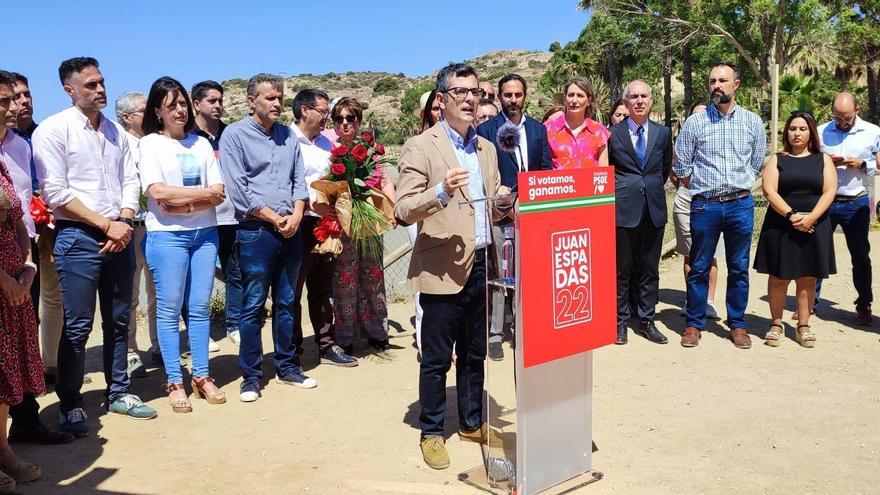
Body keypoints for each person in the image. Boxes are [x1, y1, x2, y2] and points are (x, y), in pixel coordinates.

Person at [33, 57, 158, 437]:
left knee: (120, 318)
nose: (100, 89)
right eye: (90, 84)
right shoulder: (53, 131)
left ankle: (118, 390)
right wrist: (107, 225)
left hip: (118, 231)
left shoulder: (116, 133)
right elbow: (55, 192)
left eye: (101, 82)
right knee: (78, 325)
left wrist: (122, 217)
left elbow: (130, 177)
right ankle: (70, 403)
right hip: (78, 236)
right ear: (69, 90)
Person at [396, 62, 510, 470]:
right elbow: (403, 209)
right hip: (441, 267)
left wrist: (504, 202)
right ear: (441, 100)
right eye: (460, 92)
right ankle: (430, 431)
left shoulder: (487, 148)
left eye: (474, 92)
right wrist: (440, 192)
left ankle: (472, 421)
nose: (468, 98)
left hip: (482, 263)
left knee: (475, 352)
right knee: (437, 357)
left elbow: (492, 202)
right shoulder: (420, 146)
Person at [219, 73, 314, 402]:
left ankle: (288, 366)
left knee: (288, 301)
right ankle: (251, 375)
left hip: (291, 229)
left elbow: (298, 181)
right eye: (270, 98)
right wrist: (275, 218)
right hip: (256, 232)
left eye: (280, 97)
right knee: (253, 306)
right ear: (251, 101)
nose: (277, 103)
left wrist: (297, 214)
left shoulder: (289, 136)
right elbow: (238, 190)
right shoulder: (234, 136)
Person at [139, 76, 227, 412]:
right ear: (158, 110)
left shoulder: (202, 144)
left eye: (182, 104)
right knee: (169, 308)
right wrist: (200, 196)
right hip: (167, 237)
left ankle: (202, 375)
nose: (179, 110)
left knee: (200, 308)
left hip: (204, 235)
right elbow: (157, 194)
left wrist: (185, 203)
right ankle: (175, 379)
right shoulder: (149, 145)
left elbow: (218, 191)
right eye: (171, 104)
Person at [673, 61, 767, 349]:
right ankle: (694, 324)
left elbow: (757, 162)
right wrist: (701, 189)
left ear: (735, 84)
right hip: (705, 206)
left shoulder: (752, 122)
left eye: (722, 80)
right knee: (699, 266)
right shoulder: (696, 122)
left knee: (738, 266)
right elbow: (681, 164)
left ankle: (737, 324)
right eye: (712, 80)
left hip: (740, 205)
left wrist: (742, 184)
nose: (716, 85)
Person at [477, 73, 552, 359]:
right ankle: (495, 334)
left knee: (526, 273)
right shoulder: (486, 131)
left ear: (525, 95)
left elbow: (544, 168)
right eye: (507, 95)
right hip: (500, 210)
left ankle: (522, 329)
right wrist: (498, 190)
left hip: (531, 212)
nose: (513, 100)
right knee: (499, 274)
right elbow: (484, 172)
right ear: (499, 97)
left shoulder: (537, 129)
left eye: (517, 95)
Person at [754, 111, 837, 347]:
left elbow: (829, 191)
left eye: (802, 128)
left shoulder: (823, 160)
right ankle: (776, 324)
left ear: (811, 132)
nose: (796, 133)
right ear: (786, 132)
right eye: (792, 129)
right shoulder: (777, 159)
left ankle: (803, 325)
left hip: (814, 224)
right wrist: (792, 216)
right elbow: (769, 191)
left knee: (807, 277)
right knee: (779, 277)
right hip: (781, 224)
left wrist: (811, 218)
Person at [290, 88, 356, 367]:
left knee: (322, 288)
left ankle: (326, 345)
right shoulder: (285, 141)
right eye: (324, 111)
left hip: (327, 224)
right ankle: (291, 351)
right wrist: (306, 207)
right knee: (291, 291)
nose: (327, 118)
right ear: (305, 110)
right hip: (298, 225)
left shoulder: (327, 145)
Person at [0, 70, 43, 491]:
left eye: (14, 99)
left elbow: (19, 212)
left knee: (8, 367)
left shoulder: (12, 152)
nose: (13, 107)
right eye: (4, 100)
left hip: (17, 272)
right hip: (2, 279)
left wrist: (26, 264)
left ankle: (6, 447)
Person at [607, 80, 672, 345]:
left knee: (649, 269)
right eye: (633, 96)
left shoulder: (663, 133)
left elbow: (665, 167)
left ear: (651, 100)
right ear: (625, 102)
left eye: (644, 96)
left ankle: (646, 321)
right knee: (622, 270)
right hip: (624, 210)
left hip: (654, 210)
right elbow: (609, 168)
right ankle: (620, 322)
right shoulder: (612, 134)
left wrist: (650, 187)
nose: (639, 100)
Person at [330, 97, 395, 354]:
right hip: (343, 224)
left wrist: (391, 208)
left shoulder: (372, 151)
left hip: (370, 223)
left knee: (373, 276)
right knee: (344, 279)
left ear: (359, 121)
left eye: (350, 118)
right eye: (339, 119)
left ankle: (376, 330)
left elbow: (386, 182)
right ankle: (345, 335)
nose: (345, 124)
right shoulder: (328, 150)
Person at [814, 92, 879, 325]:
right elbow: (809, 159)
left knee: (860, 256)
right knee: (817, 251)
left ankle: (864, 304)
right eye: (838, 117)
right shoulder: (821, 131)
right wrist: (824, 162)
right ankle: (811, 302)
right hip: (825, 200)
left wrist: (863, 164)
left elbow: (879, 165)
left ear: (857, 110)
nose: (842, 122)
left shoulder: (873, 132)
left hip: (856, 201)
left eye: (847, 117)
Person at [191, 80, 241, 345]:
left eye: (220, 100)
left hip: (231, 216)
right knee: (201, 278)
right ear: (196, 104)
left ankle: (235, 325)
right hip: (200, 218)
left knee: (236, 273)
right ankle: (201, 331)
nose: (218, 105)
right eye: (212, 101)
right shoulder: (187, 137)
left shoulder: (231, 134)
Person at [114, 91, 155, 378]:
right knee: (129, 294)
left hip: (156, 226)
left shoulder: (156, 143)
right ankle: (130, 352)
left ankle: (159, 346)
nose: (150, 113)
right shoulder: (117, 143)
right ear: (127, 118)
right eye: (144, 110)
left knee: (159, 291)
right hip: (131, 227)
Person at [672, 101, 723, 321]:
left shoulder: (719, 139)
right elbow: (674, 169)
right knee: (690, 254)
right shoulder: (684, 141)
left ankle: (709, 302)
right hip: (686, 200)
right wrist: (687, 185)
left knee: (710, 255)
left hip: (716, 200)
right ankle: (693, 299)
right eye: (696, 115)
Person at [545, 77, 610, 169]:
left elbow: (604, 170)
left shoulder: (599, 131)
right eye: (571, 95)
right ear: (564, 99)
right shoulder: (547, 129)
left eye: (580, 96)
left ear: (589, 101)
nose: (574, 101)